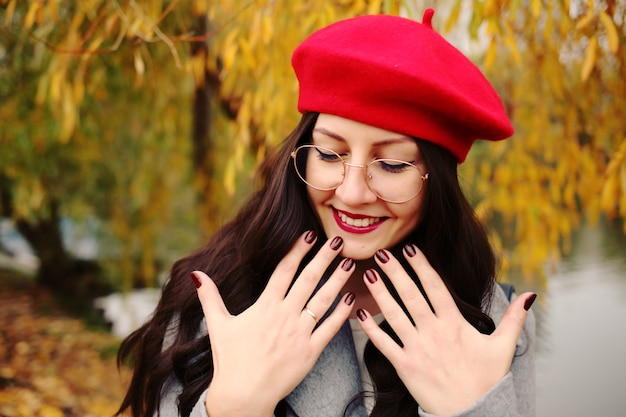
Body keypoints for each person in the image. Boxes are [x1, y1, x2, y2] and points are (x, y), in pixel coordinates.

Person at [116, 8, 536, 417]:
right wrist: (235, 409)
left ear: (437, 182)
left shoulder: (488, 325)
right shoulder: (216, 303)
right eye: (330, 153)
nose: (352, 194)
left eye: (391, 164)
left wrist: (473, 409)